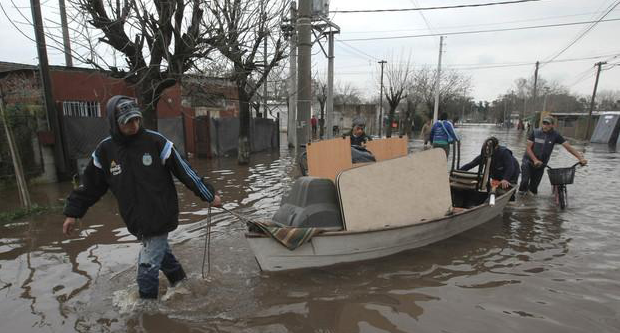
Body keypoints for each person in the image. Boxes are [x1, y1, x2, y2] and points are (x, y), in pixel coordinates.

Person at [62, 95, 222, 299]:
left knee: (146, 270)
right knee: (163, 257)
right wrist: (73, 213)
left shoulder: (156, 142)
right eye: (127, 122)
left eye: (136, 119)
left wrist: (209, 195)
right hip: (136, 219)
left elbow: (185, 171)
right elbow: (90, 187)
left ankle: (147, 314)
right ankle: (182, 285)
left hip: (160, 215)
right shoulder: (105, 151)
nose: (134, 125)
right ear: (114, 122)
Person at [518, 116, 587, 195]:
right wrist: (535, 160)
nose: (545, 126)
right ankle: (521, 200)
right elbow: (528, 148)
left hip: (542, 163)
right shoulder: (535, 132)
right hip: (528, 161)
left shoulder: (556, 135)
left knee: (533, 188)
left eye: (548, 124)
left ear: (552, 125)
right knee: (524, 181)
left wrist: (580, 158)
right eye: (544, 123)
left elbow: (569, 148)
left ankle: (530, 204)